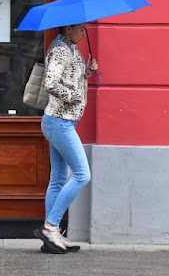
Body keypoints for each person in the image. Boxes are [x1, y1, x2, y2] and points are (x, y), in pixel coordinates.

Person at [33, 23, 98, 254]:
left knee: (59, 178)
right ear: (68, 28)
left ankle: (52, 236)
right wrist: (75, 96)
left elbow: (68, 77)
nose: (84, 33)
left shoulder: (70, 48)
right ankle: (50, 227)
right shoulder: (61, 50)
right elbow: (51, 83)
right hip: (59, 121)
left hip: (61, 122)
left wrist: (86, 72)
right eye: (81, 29)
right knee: (82, 174)